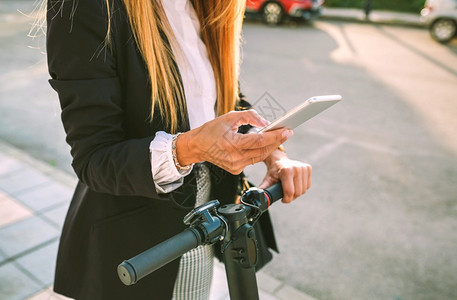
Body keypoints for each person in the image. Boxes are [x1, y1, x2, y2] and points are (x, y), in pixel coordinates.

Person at [45, 0, 312, 299]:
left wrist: (275, 153)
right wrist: (191, 147)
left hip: (205, 222)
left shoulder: (207, 6)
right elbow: (95, 158)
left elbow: (224, 99)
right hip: (136, 245)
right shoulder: (86, 6)